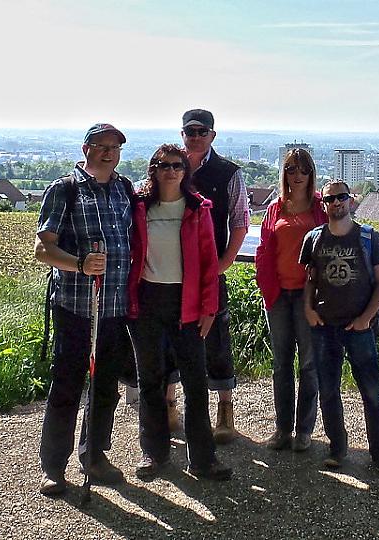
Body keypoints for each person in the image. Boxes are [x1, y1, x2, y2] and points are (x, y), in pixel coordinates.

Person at [34, 123, 134, 495]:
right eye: (101, 146)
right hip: (76, 307)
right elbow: (43, 249)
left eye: (115, 147)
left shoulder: (124, 189)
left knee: (105, 387)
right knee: (68, 386)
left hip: (114, 307)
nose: (109, 153)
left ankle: (94, 455)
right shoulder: (65, 189)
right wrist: (79, 264)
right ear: (86, 149)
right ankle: (53, 467)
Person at [126, 144, 232, 481]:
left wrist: (209, 308)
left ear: (185, 171)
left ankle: (202, 459)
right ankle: (153, 454)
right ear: (154, 170)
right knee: (150, 380)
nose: (170, 171)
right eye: (164, 165)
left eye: (177, 165)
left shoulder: (198, 209)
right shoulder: (139, 207)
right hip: (147, 301)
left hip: (186, 303)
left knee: (195, 382)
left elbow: (209, 264)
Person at [299, 179, 379, 472]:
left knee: (371, 392)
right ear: (324, 204)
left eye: (341, 197)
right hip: (324, 326)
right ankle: (337, 448)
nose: (336, 203)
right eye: (330, 199)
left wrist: (366, 318)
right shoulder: (314, 239)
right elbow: (310, 280)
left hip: (359, 327)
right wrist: (308, 310)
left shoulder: (368, 237)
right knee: (328, 391)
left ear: (351, 200)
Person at [177, 109, 250, 443]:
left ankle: (224, 410)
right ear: (182, 134)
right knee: (171, 338)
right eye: (190, 131)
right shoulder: (169, 166)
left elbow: (240, 221)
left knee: (217, 339)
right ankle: (169, 406)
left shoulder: (228, 173)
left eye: (201, 131)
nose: (195, 137)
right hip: (171, 271)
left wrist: (222, 265)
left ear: (212, 135)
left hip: (209, 271)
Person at [255, 148, 327, 451]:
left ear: (311, 174)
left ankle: (304, 430)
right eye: (291, 169)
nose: (297, 175)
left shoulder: (320, 208)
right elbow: (264, 250)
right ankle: (283, 429)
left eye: (303, 169)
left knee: (309, 364)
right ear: (284, 173)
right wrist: (265, 287)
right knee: (281, 363)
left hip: (309, 295)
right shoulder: (275, 208)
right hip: (278, 294)